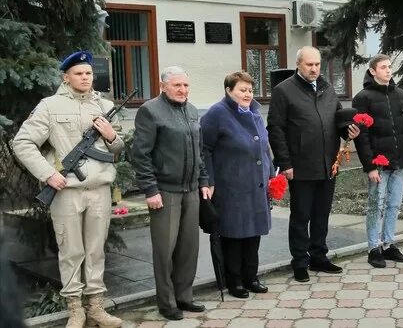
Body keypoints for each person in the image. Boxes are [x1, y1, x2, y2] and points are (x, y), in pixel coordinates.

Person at [13, 51, 124, 328]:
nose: (85, 77)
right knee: (71, 251)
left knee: (96, 250)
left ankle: (96, 307)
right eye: (79, 73)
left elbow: (118, 149)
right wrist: (48, 174)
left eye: (88, 73)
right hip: (66, 192)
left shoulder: (104, 104)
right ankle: (76, 310)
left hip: (99, 189)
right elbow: (23, 142)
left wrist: (111, 136)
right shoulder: (49, 106)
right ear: (66, 76)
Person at [267, 46, 360, 282]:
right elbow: (276, 129)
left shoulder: (328, 89)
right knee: (301, 216)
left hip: (328, 163)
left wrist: (348, 130)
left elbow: (338, 119)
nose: (315, 69)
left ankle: (319, 255)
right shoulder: (284, 91)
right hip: (300, 165)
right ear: (299, 64)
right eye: (309, 65)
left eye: (317, 64)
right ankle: (300, 261)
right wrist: (285, 162)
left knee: (322, 214)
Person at [131, 66, 211, 321]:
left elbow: (199, 152)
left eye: (186, 86)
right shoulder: (150, 111)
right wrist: (150, 189)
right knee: (165, 250)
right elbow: (140, 154)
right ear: (163, 86)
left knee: (189, 247)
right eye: (177, 85)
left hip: (191, 190)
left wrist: (204, 181)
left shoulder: (191, 110)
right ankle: (166, 303)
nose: (183, 90)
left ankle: (184, 297)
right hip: (165, 192)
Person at [201, 71, 273, 299]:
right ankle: (235, 281)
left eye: (250, 90)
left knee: (253, 234)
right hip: (230, 185)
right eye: (242, 90)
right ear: (228, 90)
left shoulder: (254, 112)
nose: (247, 94)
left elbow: (264, 146)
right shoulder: (217, 114)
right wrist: (208, 180)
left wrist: (271, 175)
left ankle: (251, 277)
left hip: (256, 184)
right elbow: (204, 149)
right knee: (234, 235)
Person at [352, 54, 403, 268]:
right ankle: (374, 247)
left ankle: (389, 243)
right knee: (376, 205)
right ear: (372, 71)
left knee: (394, 204)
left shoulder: (400, 95)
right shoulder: (363, 97)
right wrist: (370, 165)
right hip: (379, 164)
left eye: (390, 67)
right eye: (383, 67)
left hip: (399, 162)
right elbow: (362, 136)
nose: (388, 71)